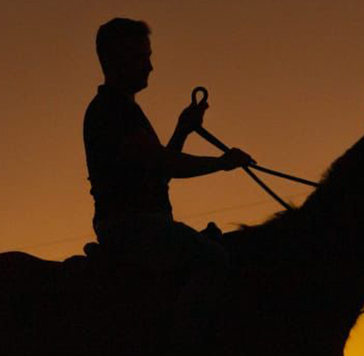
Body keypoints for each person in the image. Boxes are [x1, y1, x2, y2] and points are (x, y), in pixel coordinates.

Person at [84, 17, 253, 272]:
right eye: (141, 57)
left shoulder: (122, 109)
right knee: (214, 260)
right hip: (134, 227)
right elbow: (163, 163)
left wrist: (182, 130)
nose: (150, 66)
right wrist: (222, 163)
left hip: (139, 226)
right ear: (115, 60)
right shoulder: (113, 109)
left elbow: (157, 170)